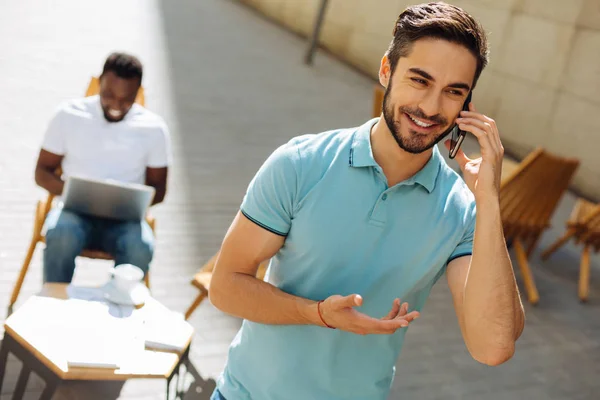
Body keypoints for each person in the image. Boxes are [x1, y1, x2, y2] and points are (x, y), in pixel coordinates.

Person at [209, 2, 525, 399]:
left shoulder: (461, 210)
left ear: (467, 106)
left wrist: (489, 201)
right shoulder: (301, 164)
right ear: (386, 71)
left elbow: (492, 347)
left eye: (452, 92)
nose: (430, 107)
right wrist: (318, 314)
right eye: (420, 80)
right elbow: (225, 286)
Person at [35, 52, 172, 284]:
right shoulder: (68, 115)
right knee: (61, 234)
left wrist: (133, 201)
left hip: (125, 220)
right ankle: (54, 303)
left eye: (126, 99)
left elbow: (159, 189)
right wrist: (72, 191)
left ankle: (120, 310)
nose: (116, 105)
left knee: (140, 246)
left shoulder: (154, 129)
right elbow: (42, 172)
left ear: (138, 92)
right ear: (99, 83)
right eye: (108, 95)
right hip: (73, 212)